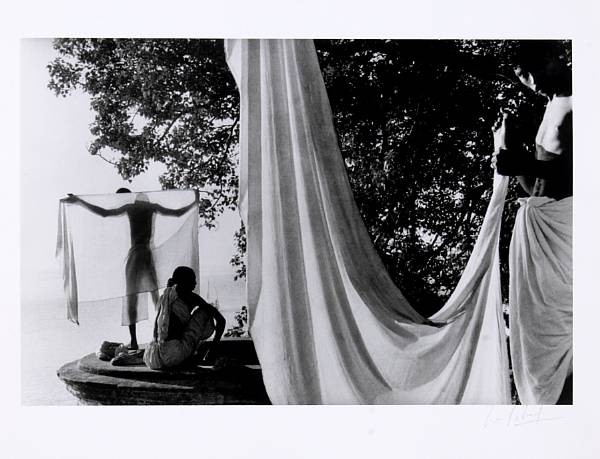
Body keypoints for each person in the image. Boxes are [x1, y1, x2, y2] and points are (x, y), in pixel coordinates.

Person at [492, 41, 572, 404]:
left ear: (554, 57)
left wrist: (521, 162)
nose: (529, 82)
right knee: (534, 327)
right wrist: (505, 149)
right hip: (540, 223)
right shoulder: (551, 106)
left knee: (562, 323)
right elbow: (537, 185)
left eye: (531, 70)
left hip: (567, 226)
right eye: (521, 77)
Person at [66, 189, 197, 349]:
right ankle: (162, 335)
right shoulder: (150, 207)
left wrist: (80, 201)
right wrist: (193, 202)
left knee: (132, 299)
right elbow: (177, 213)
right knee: (156, 298)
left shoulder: (131, 207)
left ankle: (135, 341)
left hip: (136, 256)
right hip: (147, 255)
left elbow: (104, 213)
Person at [143, 266, 226, 370]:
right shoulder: (191, 297)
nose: (195, 284)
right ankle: (186, 357)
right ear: (184, 282)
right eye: (192, 280)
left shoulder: (166, 295)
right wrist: (213, 349)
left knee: (179, 327)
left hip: (152, 357)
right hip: (173, 355)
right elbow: (221, 320)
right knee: (205, 312)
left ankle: (184, 355)